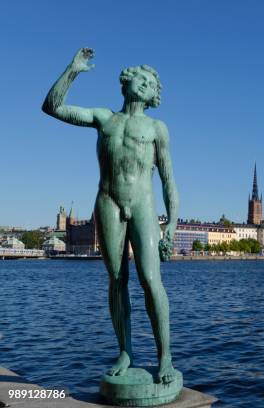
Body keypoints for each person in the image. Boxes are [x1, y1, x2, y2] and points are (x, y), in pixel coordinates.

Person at [42, 48, 179, 384]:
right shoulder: (105, 118)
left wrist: (172, 222)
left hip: (144, 206)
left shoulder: (157, 128)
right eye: (142, 79)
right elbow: (53, 107)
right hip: (108, 203)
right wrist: (72, 70)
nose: (146, 85)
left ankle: (165, 358)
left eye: (151, 83)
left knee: (150, 280)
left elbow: (168, 180)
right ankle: (126, 351)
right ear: (127, 82)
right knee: (117, 281)